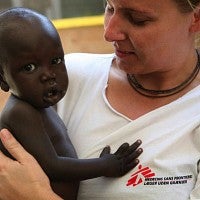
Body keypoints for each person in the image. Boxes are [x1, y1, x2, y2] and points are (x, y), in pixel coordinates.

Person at [0, 0, 200, 199]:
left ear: (196, 18)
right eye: (109, 7)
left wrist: (38, 196)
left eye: (138, 19)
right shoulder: (62, 81)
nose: (109, 33)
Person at [0, 7, 143, 200]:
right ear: (2, 78)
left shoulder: (38, 105)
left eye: (56, 60)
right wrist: (106, 165)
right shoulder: (20, 113)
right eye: (29, 67)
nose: (48, 75)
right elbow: (53, 167)